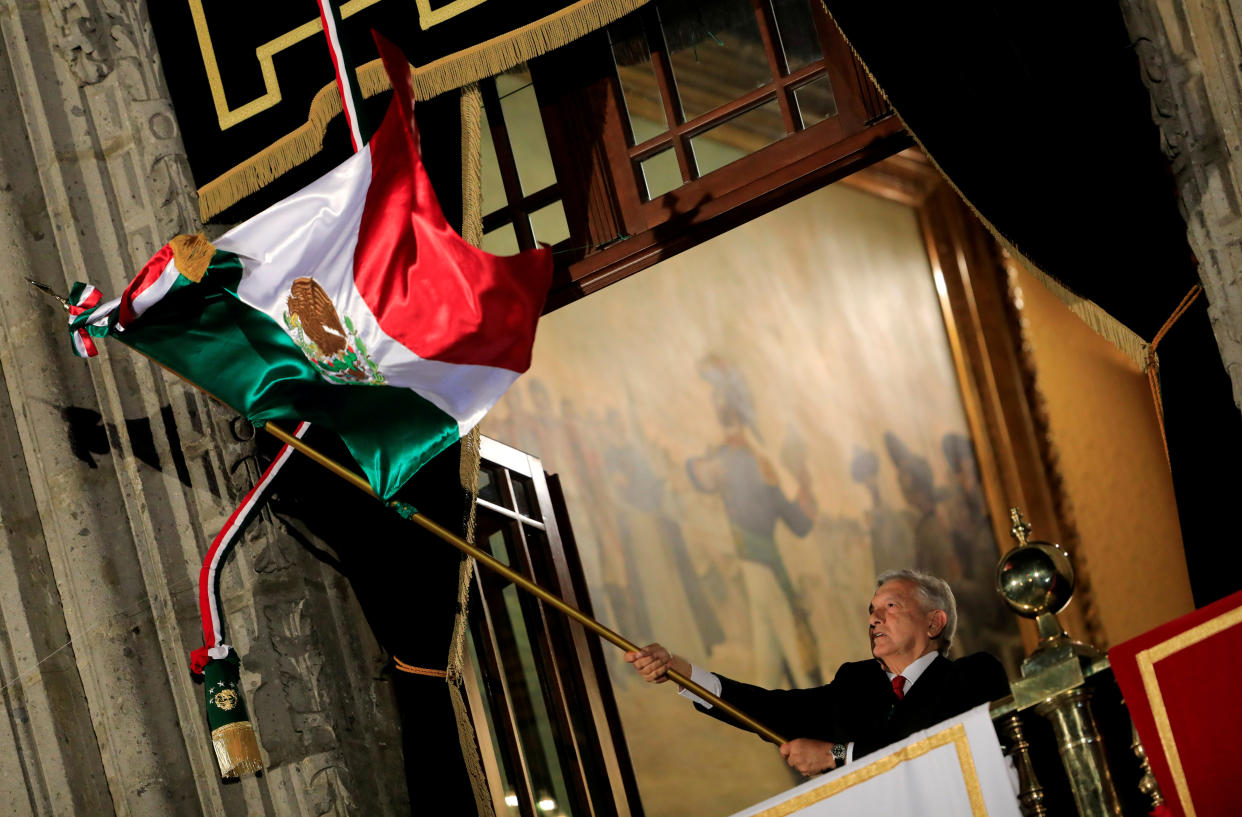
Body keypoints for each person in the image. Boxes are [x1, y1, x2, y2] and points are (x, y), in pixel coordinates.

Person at [624, 569, 1010, 777]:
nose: (874, 618)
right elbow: (774, 710)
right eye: (871, 610)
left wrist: (837, 754)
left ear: (934, 623)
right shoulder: (855, 683)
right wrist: (685, 674)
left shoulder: (973, 675)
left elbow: (922, 737)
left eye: (891, 606)